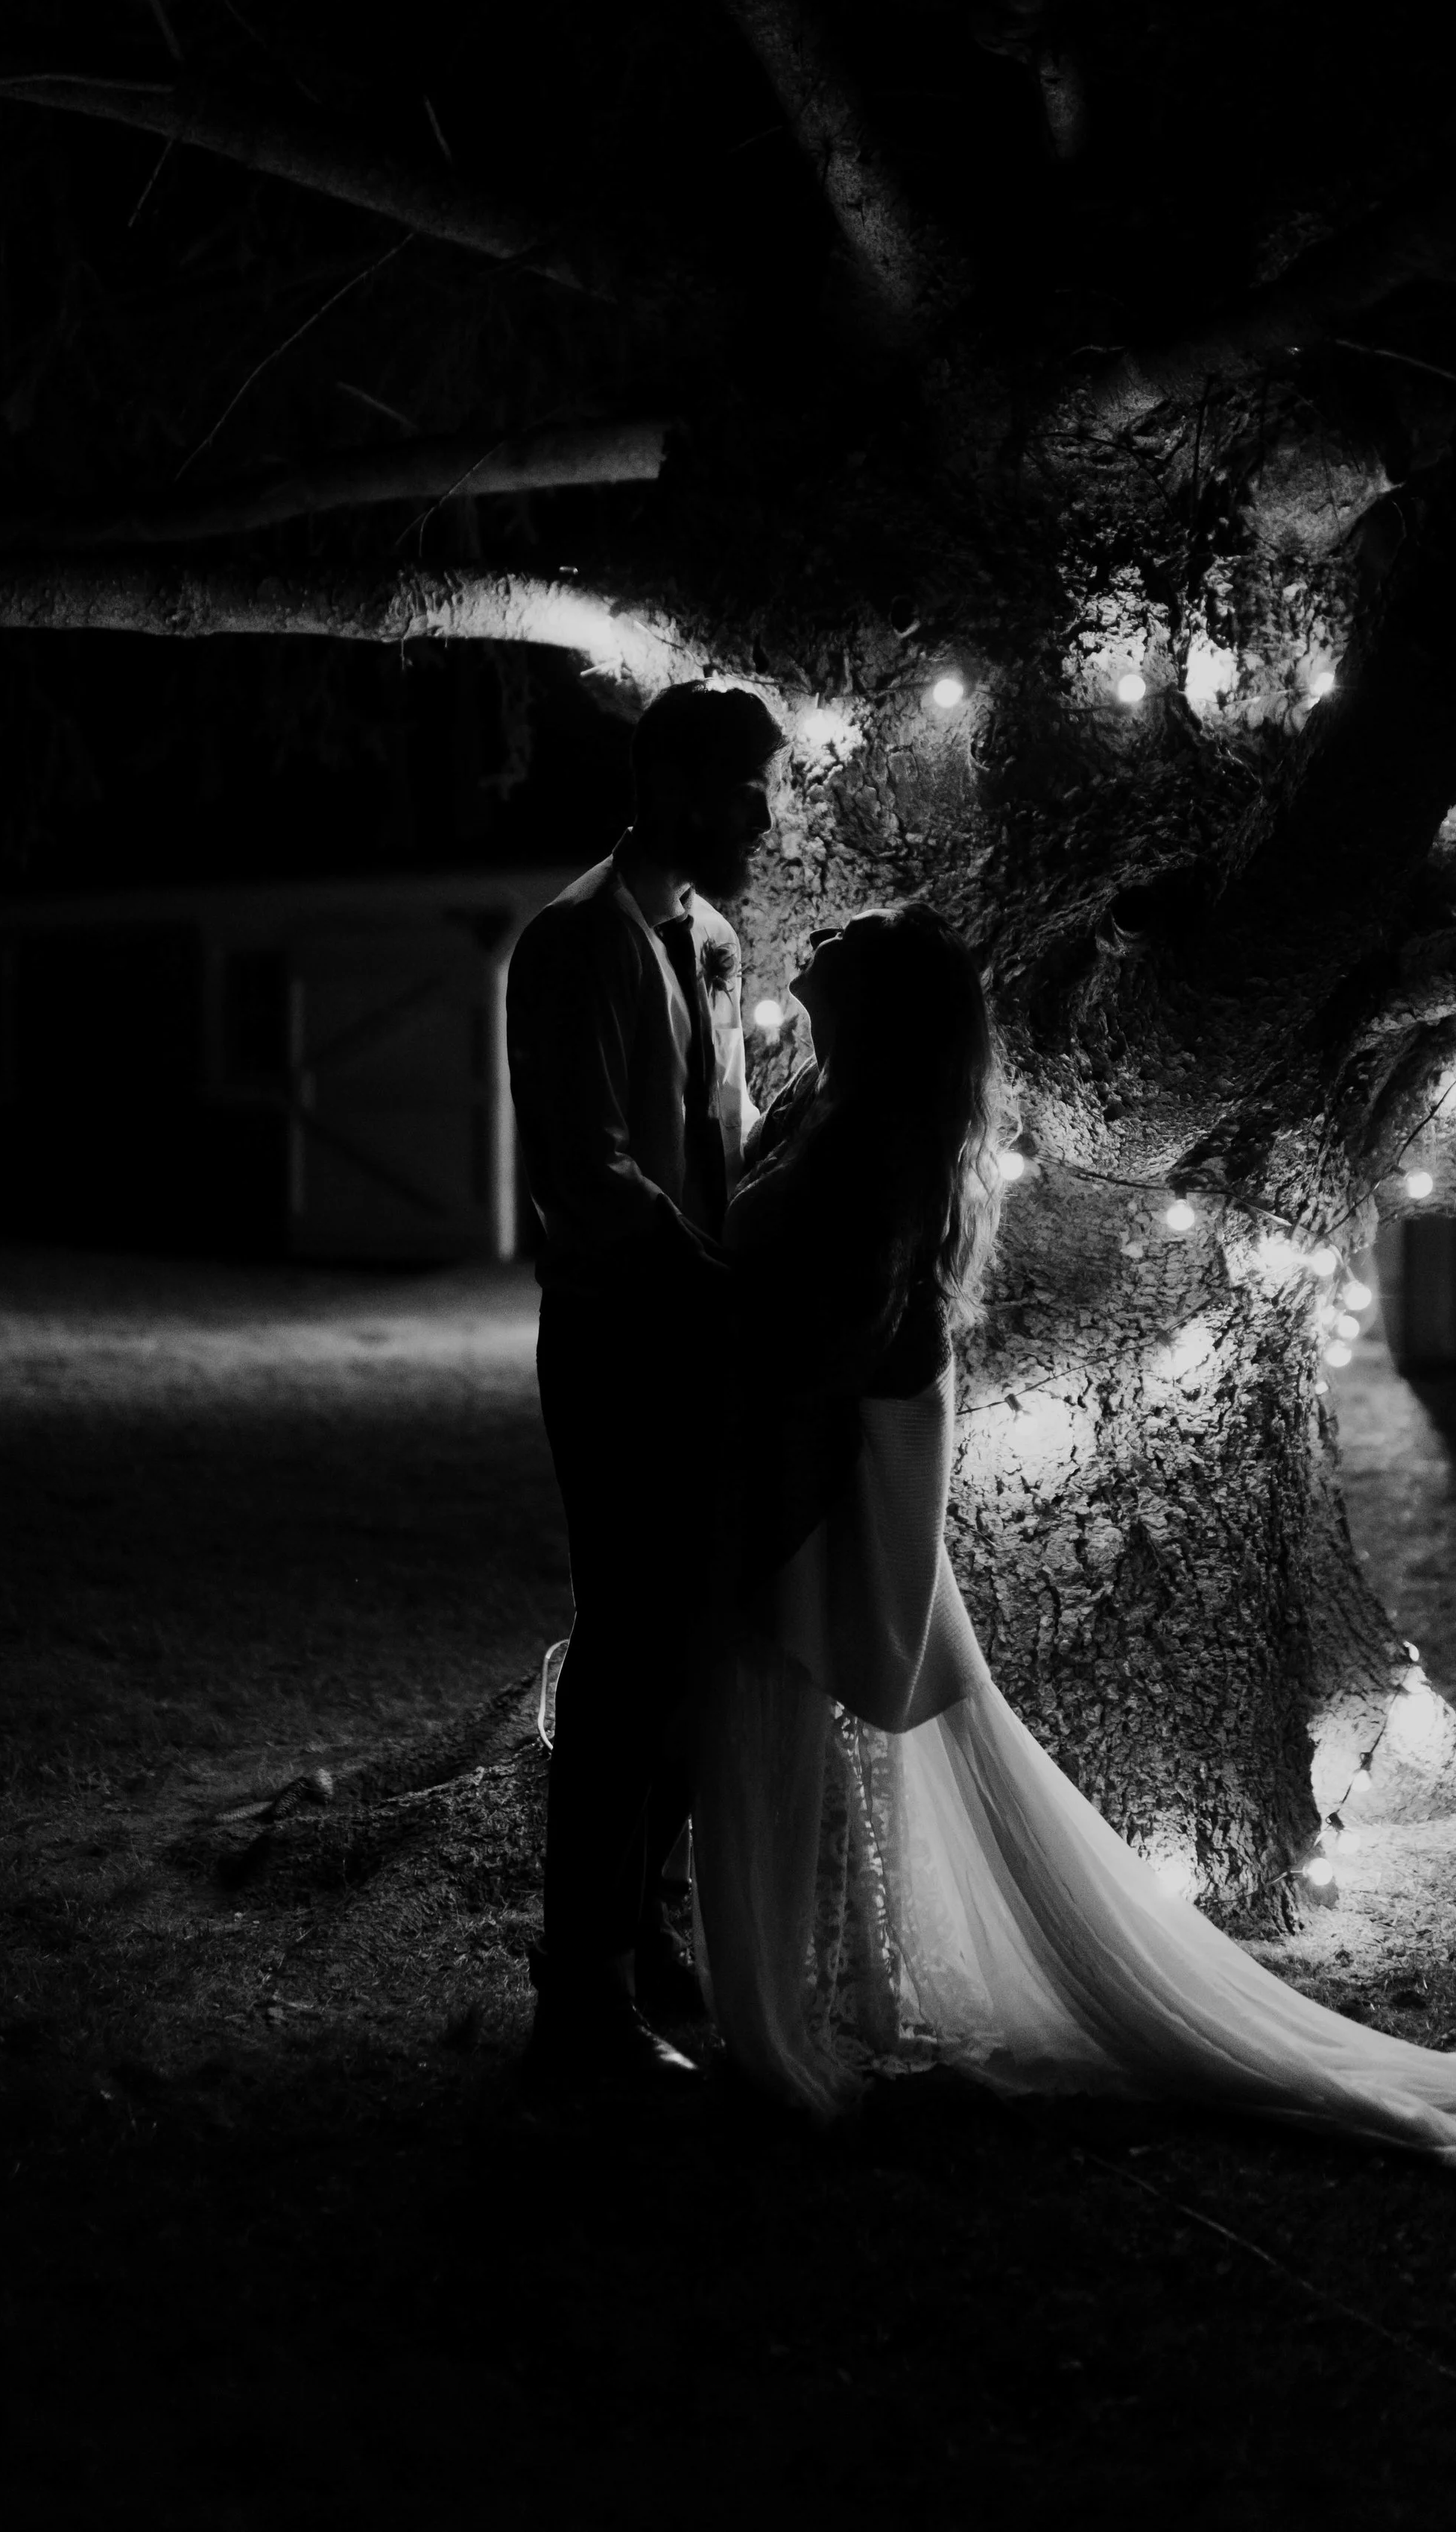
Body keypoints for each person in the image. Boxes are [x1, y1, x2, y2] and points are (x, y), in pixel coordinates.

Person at [693, 903, 1456, 2234]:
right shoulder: (835, 1115)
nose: (824, 930)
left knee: (795, 1723)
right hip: (809, 1479)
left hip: (814, 1491)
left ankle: (781, 2025)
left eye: (857, 935)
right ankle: (803, 2002)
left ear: (883, 1007)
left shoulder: (870, 1146)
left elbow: (821, 1340)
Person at [507, 678, 783, 2080]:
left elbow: (721, 1129)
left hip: (708, 1342)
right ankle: (583, 1994)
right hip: (621, 1339)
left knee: (691, 1659)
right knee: (625, 1659)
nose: (765, 819)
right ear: (674, 782)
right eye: (746, 792)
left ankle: (636, 1918)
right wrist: (716, 1277)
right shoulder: (574, 944)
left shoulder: (719, 944)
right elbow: (589, 1172)